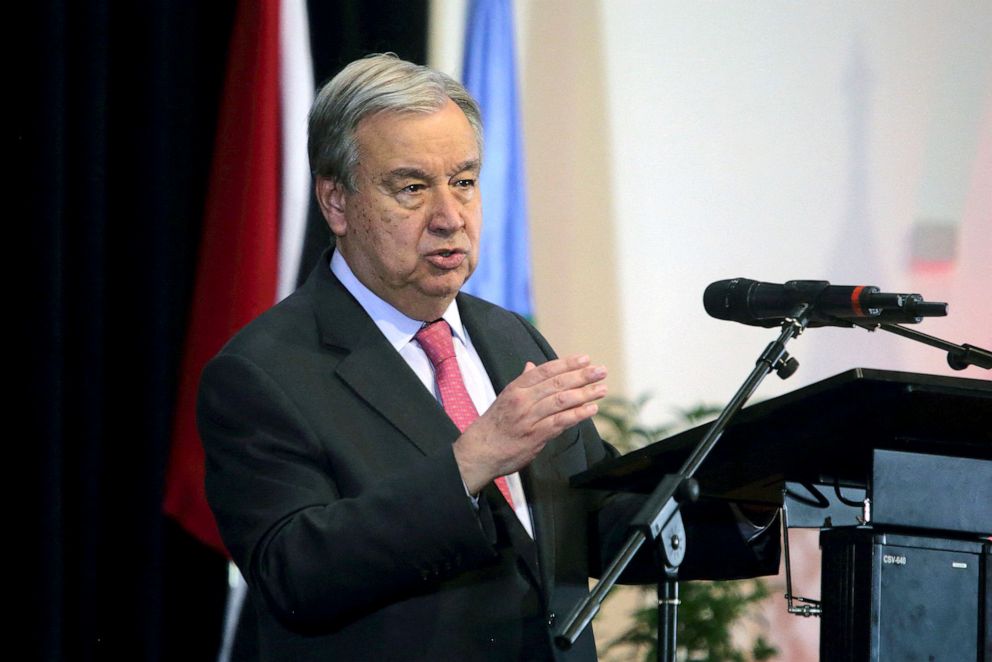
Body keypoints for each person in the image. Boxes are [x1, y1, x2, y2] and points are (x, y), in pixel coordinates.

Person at [198, 53, 778, 661]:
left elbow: (590, 524)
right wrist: (470, 462)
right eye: (412, 188)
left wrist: (757, 496)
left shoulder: (509, 337)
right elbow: (294, 573)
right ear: (336, 201)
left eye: (465, 182)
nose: (449, 217)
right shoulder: (263, 372)